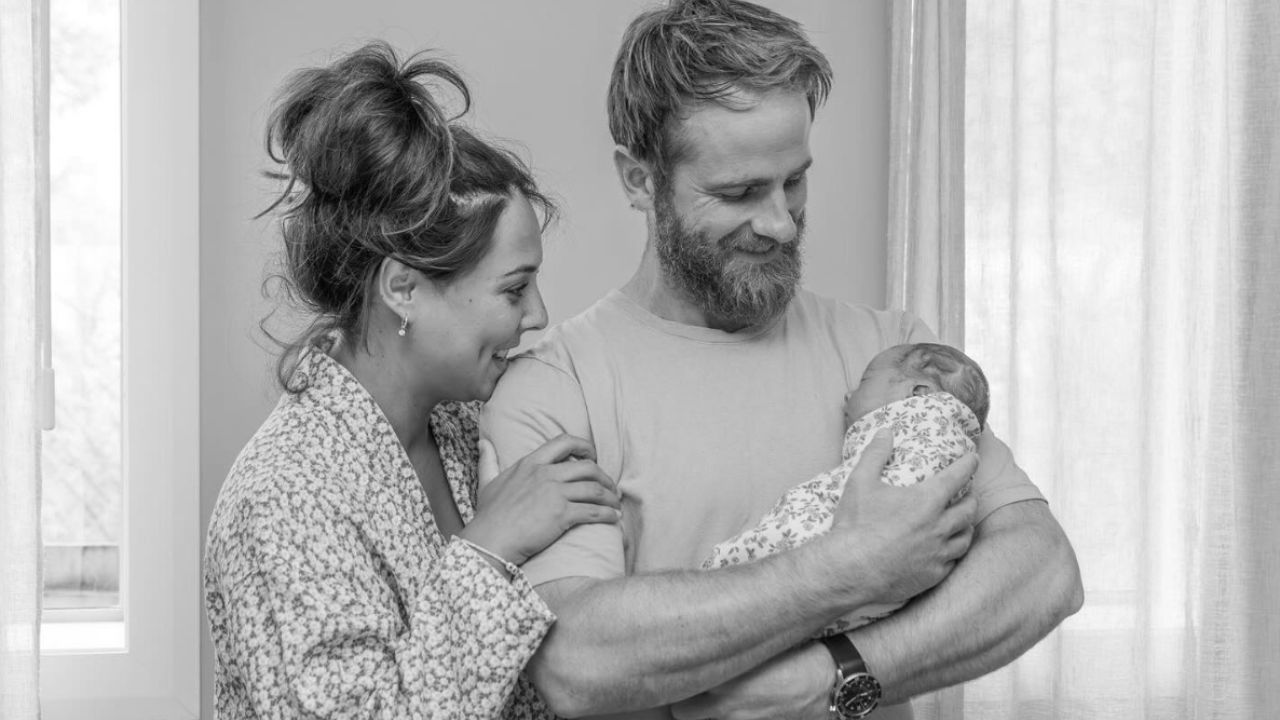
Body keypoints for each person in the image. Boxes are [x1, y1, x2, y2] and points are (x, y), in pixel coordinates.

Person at [479, 2, 1084, 719]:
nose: (779, 222)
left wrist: (837, 674)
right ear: (639, 180)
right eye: (738, 193)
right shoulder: (556, 387)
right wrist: (845, 569)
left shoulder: (888, 357)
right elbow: (578, 662)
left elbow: (1042, 572)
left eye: (793, 181)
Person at [202, 42, 625, 720]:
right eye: (513, 289)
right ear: (403, 287)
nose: (539, 315)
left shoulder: (467, 429)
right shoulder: (283, 499)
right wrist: (489, 548)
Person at [703, 343, 990, 635]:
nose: (848, 395)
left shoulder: (930, 434)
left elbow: (904, 508)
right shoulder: (949, 444)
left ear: (918, 394)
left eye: (864, 383)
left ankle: (726, 582)